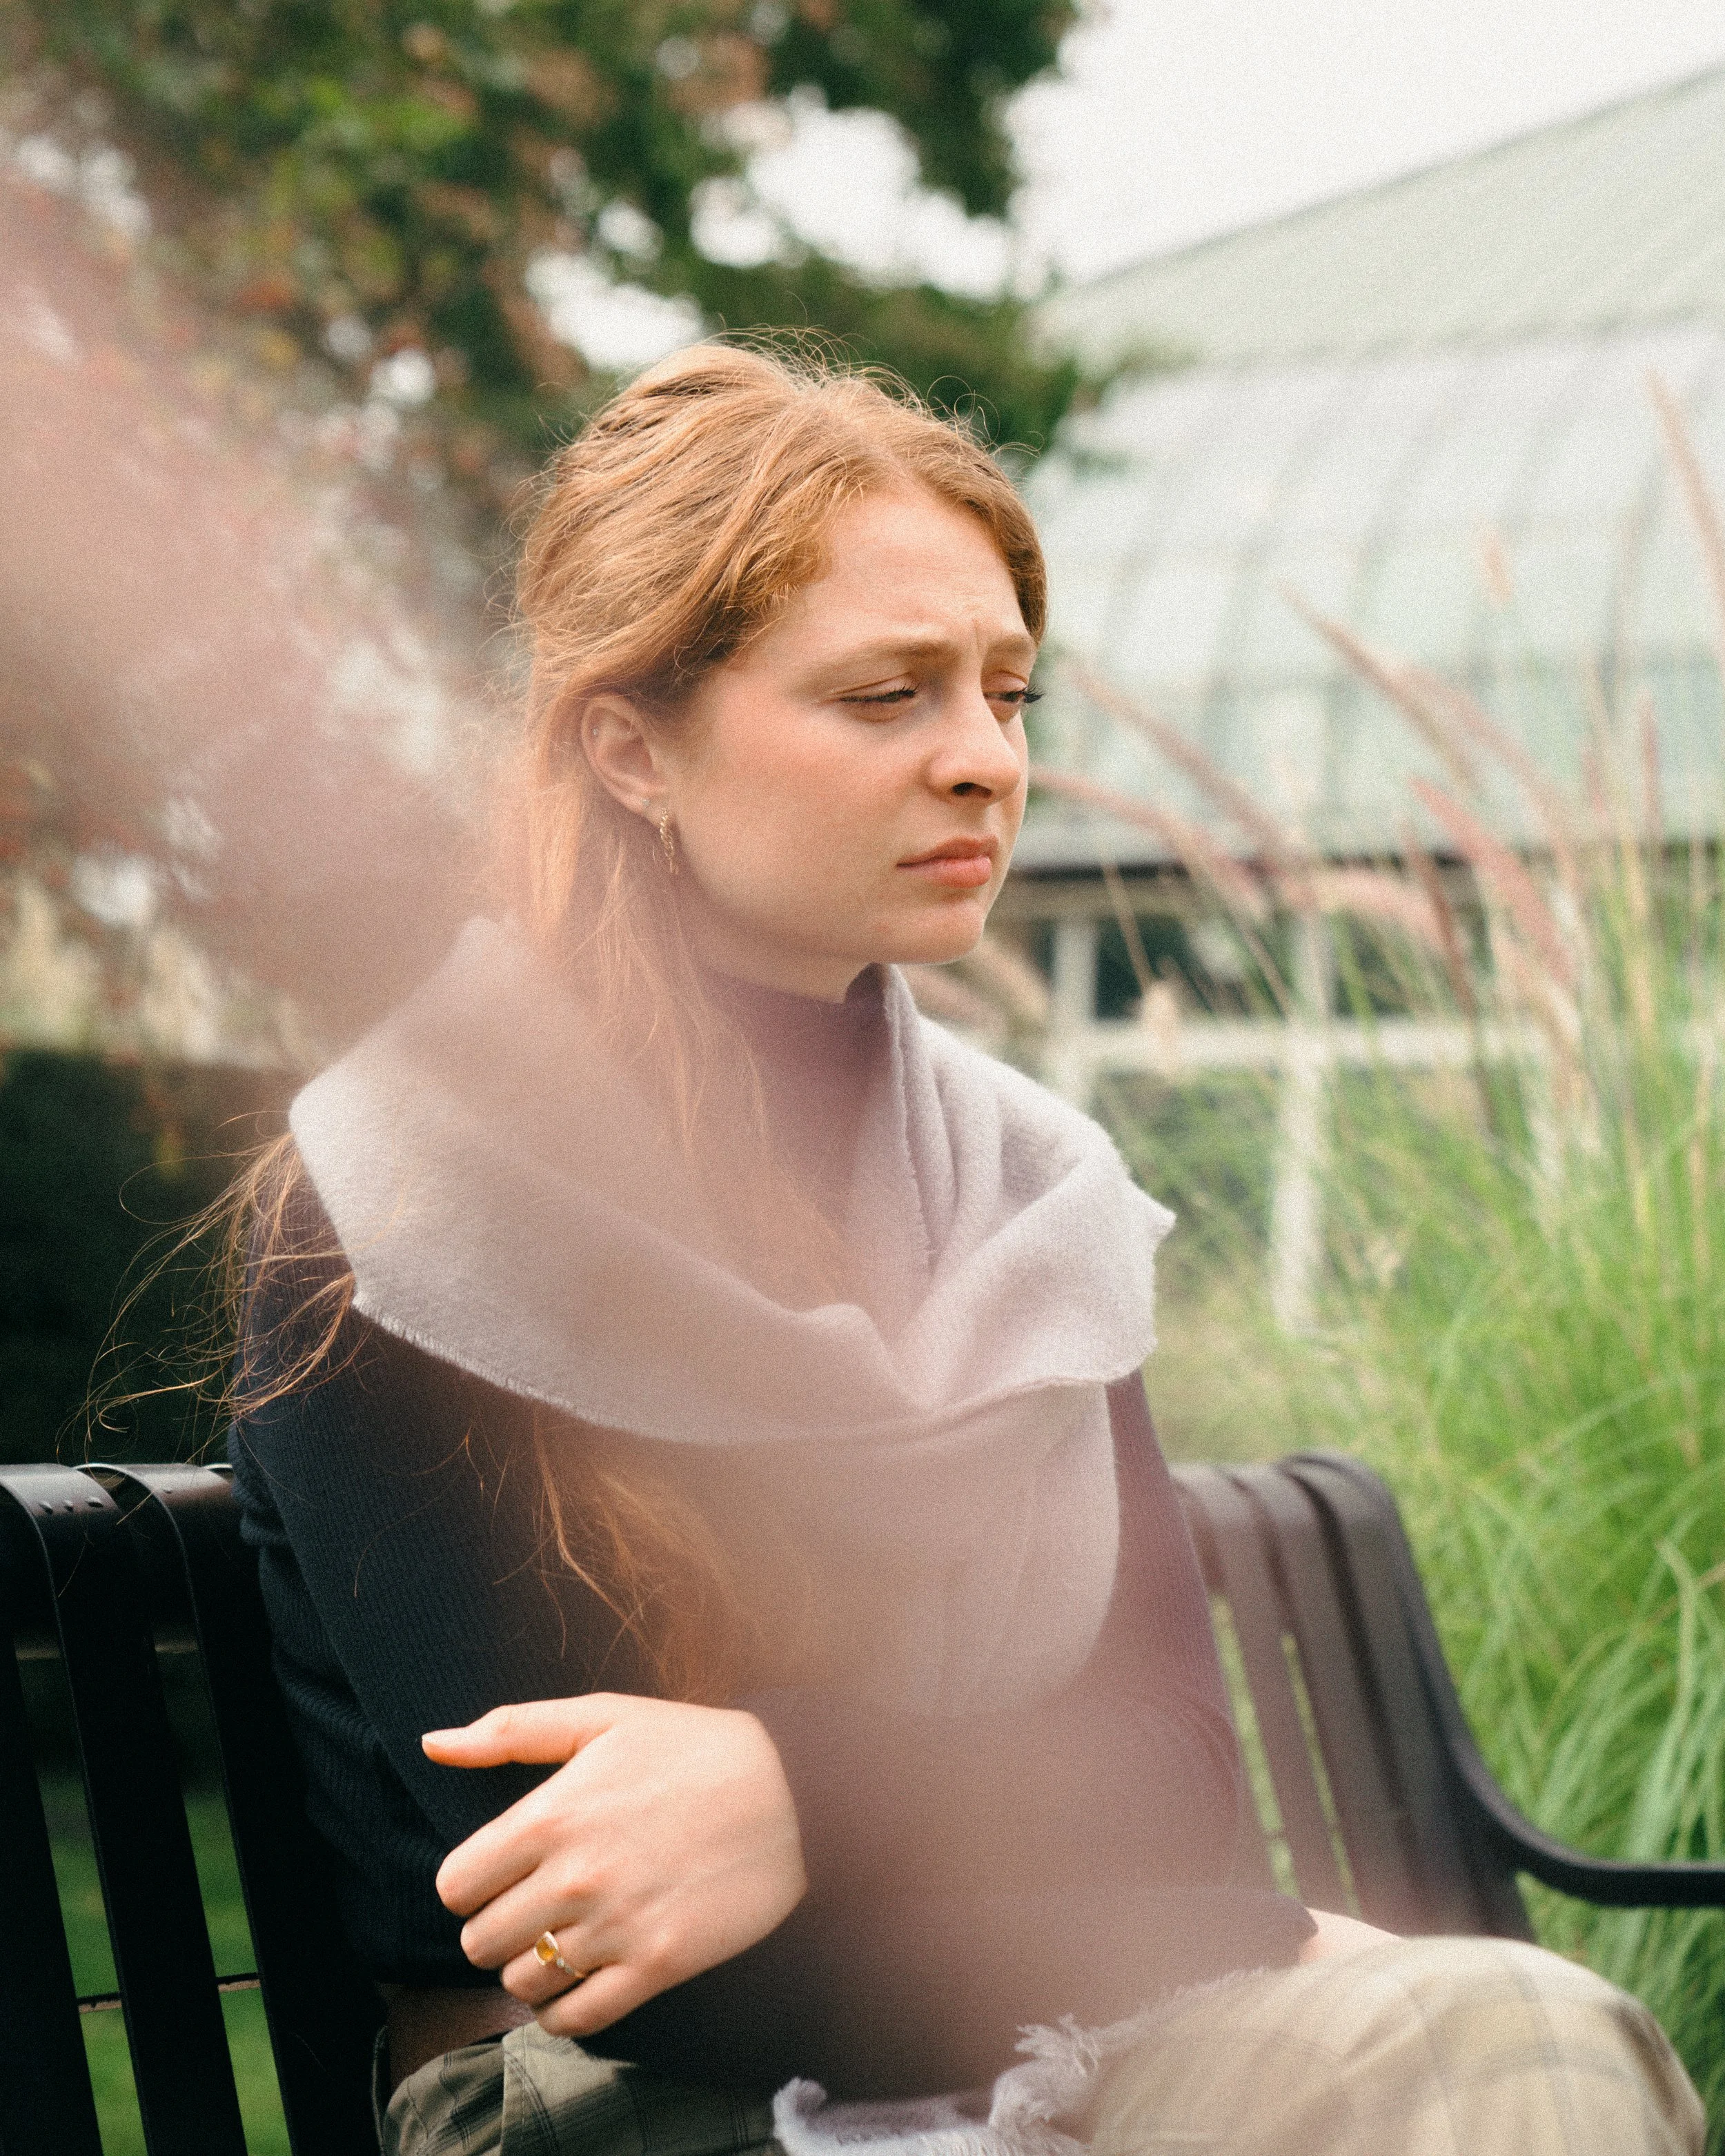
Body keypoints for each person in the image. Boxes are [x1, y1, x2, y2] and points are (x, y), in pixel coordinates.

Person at [228, 342, 1703, 2156]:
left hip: (1062, 2038)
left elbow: (1188, 1835)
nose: (983, 763)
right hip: (609, 2096)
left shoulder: (1031, 1196)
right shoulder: (413, 1198)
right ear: (629, 746)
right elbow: (628, 1948)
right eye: (886, 695)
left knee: (1509, 2031)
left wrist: (798, 1792)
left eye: (1007, 692)